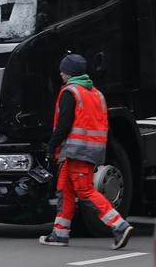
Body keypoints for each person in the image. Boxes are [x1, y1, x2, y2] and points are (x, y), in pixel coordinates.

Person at [39, 54, 134, 249]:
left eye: (63, 70)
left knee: (85, 190)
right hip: (90, 150)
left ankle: (119, 225)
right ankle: (60, 234)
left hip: (76, 150)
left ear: (68, 73)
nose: (60, 73)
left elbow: (63, 126)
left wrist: (51, 147)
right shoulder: (96, 94)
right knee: (65, 190)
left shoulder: (70, 92)